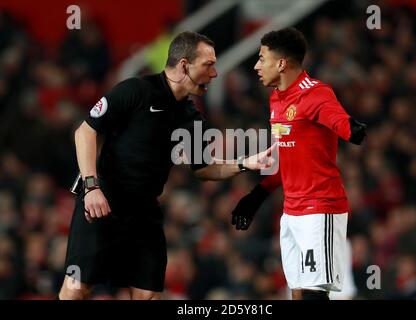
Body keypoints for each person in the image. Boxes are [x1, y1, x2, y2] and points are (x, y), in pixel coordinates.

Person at [58, 31, 274, 300]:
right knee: (77, 288)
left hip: (144, 212)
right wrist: (92, 187)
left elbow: (205, 170)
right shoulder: (135, 91)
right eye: (208, 65)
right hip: (102, 201)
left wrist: (245, 163)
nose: (215, 73)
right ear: (184, 65)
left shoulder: (193, 120)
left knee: (148, 295)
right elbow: (85, 132)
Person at [231, 27, 367, 300]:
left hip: (320, 209)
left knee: (316, 294)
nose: (256, 66)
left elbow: (339, 120)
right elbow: (286, 157)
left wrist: (352, 128)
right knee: (298, 294)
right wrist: (256, 197)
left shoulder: (315, 93)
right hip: (291, 213)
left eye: (262, 58)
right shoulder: (276, 100)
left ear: (281, 63)